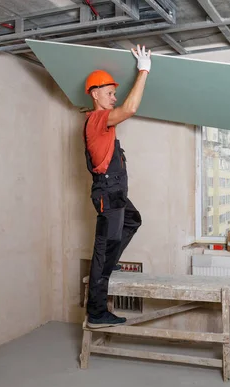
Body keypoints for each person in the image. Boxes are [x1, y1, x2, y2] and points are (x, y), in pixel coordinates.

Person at [83, 45, 151, 327]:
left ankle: (110, 262)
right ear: (95, 93)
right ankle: (97, 312)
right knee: (103, 249)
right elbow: (131, 108)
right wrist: (144, 70)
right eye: (109, 93)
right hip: (108, 195)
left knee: (133, 220)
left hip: (115, 193)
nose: (114, 97)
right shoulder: (98, 119)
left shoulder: (104, 123)